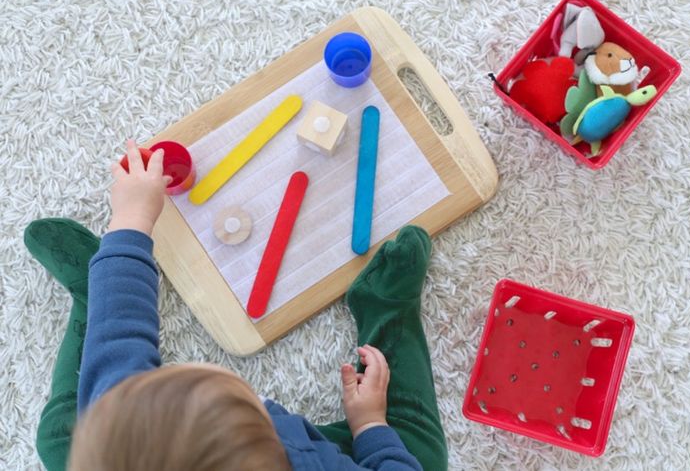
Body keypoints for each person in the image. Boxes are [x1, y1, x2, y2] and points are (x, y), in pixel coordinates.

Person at [25, 141, 448, 471]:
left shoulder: (117, 431)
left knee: (61, 438)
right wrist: (370, 425)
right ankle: (386, 303)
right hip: (316, 454)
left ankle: (90, 293)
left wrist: (132, 219)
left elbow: (118, 333)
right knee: (417, 454)